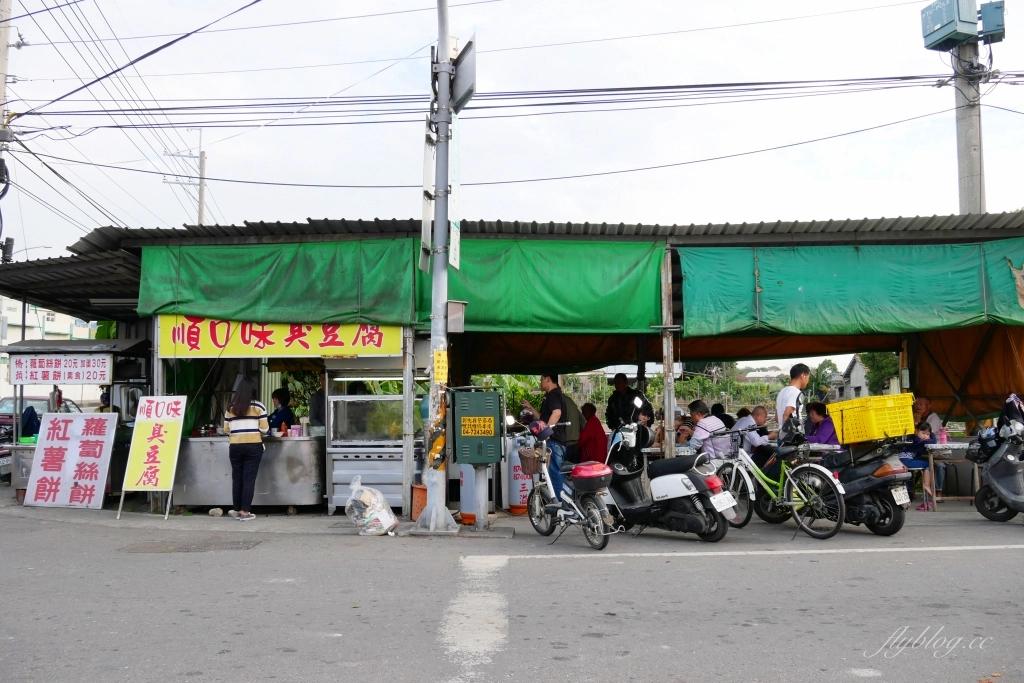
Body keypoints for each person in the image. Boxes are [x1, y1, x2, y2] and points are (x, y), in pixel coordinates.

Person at [223, 378, 269, 521]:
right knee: (248, 479)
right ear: (253, 391)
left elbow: (226, 429)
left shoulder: (230, 408)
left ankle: (237, 510)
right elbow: (265, 428)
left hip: (235, 447)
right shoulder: (259, 407)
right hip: (253, 446)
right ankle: (245, 512)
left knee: (237, 478)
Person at [521, 373, 568, 499]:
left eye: (541, 379)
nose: (540, 382)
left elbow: (557, 413)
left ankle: (559, 507)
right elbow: (543, 417)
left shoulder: (553, 394)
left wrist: (546, 433)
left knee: (555, 476)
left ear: (548, 379)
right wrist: (531, 408)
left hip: (554, 442)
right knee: (554, 476)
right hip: (558, 442)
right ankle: (559, 506)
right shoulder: (554, 395)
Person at [897, 421, 938, 511]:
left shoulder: (916, 439)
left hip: (905, 460)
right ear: (916, 431)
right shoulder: (915, 439)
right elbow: (934, 441)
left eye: (927, 434)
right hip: (905, 460)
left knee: (927, 463)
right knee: (928, 464)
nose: (925, 436)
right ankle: (926, 485)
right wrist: (932, 434)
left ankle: (924, 486)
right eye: (923, 433)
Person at [914, 396, 947, 497]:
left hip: (938, 452)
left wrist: (917, 422)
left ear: (928, 406)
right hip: (924, 451)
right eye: (917, 404)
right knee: (907, 461)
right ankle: (910, 491)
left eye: (921, 404)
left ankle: (938, 491)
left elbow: (925, 433)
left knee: (939, 465)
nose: (918, 406)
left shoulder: (934, 418)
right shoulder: (915, 416)